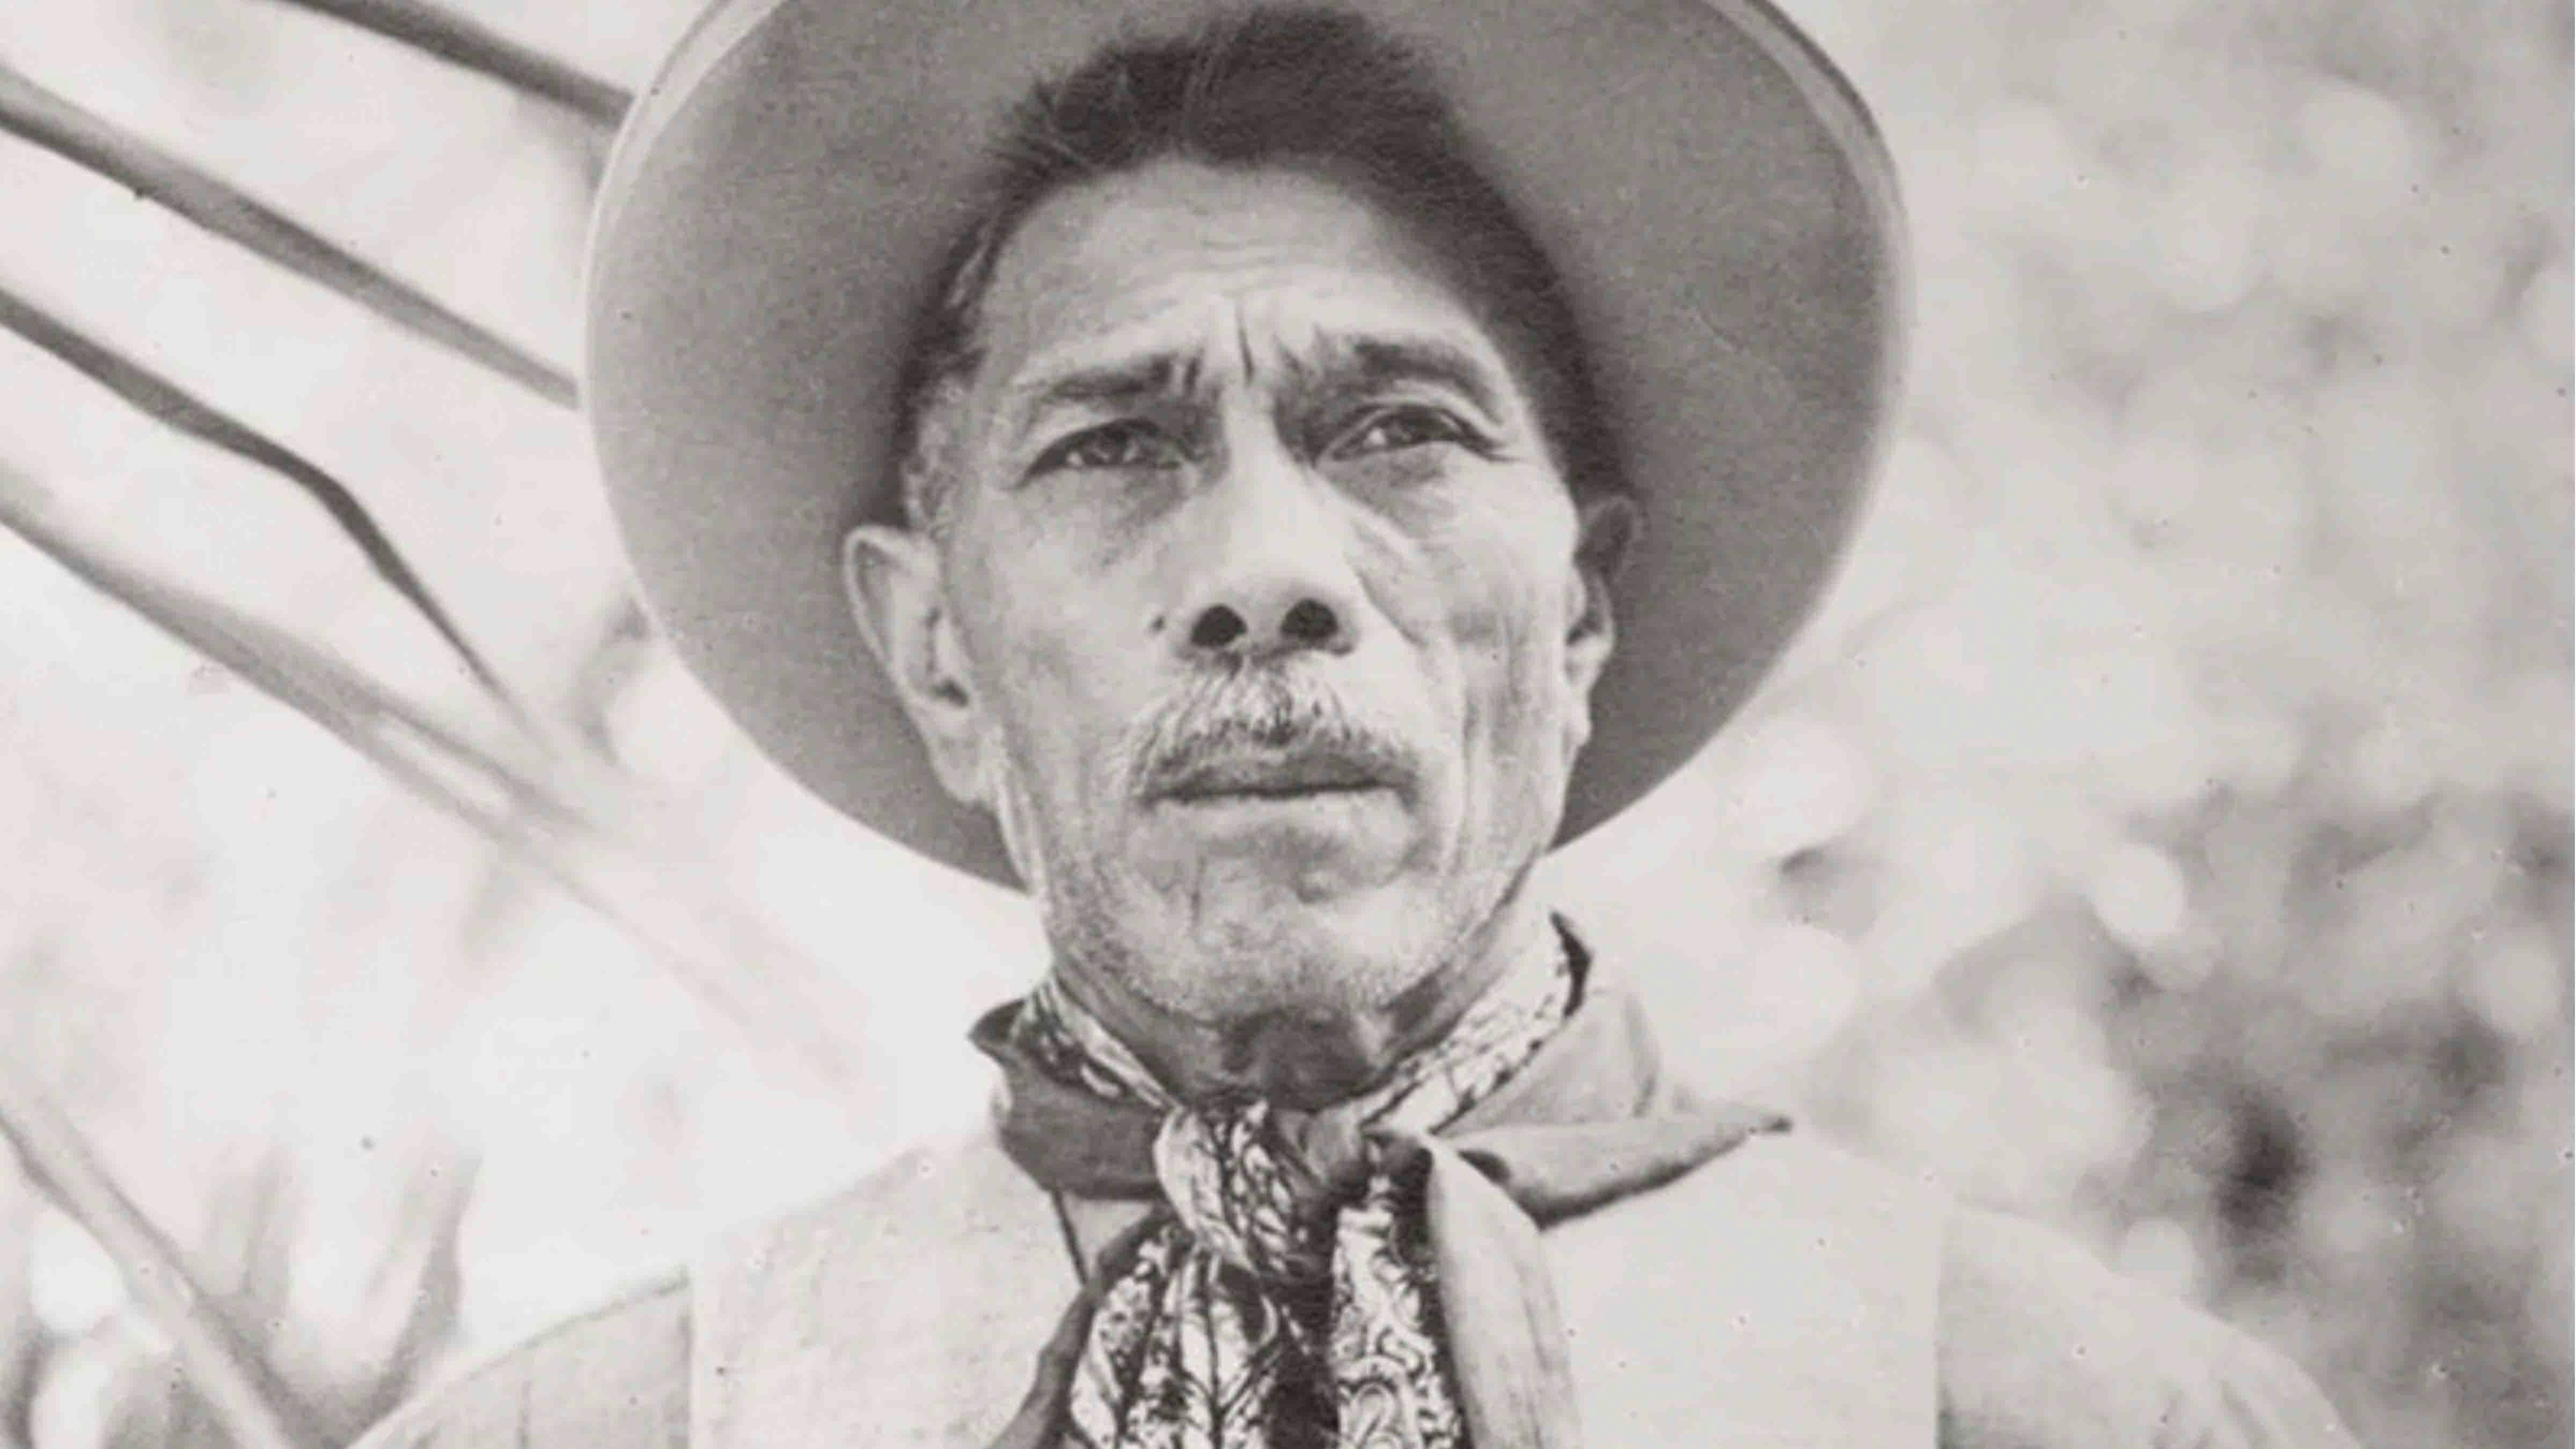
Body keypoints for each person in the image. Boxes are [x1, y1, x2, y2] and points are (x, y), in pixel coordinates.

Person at [358, 1, 2364, 1444]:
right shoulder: (625, 1422)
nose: (1264, 562)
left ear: (1578, 603)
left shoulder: (2043, 1402)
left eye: (1397, 428)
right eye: (1116, 442)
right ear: (937, 648)